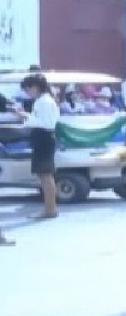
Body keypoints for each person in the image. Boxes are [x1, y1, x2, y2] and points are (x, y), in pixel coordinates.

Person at [14, 74, 60, 219]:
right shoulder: (44, 101)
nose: (27, 93)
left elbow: (45, 123)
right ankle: (50, 208)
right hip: (44, 138)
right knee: (45, 175)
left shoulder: (43, 102)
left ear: (35, 87)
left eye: (28, 89)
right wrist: (27, 116)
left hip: (44, 138)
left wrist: (25, 117)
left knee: (45, 175)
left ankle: (49, 209)